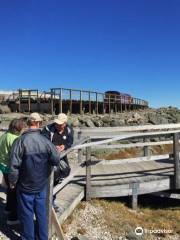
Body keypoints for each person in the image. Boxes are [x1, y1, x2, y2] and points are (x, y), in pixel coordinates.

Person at [9, 112, 60, 240]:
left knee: (26, 215)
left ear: (28, 124)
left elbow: (14, 166)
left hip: (25, 186)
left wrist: (12, 181)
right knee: (41, 214)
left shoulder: (19, 141)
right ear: (39, 124)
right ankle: (43, 237)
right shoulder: (46, 141)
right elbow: (56, 160)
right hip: (41, 185)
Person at [42, 113, 73, 211]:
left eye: (60, 124)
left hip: (62, 156)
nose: (58, 125)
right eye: (57, 123)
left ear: (65, 123)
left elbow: (70, 142)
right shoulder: (48, 129)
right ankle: (49, 201)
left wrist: (64, 146)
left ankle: (51, 198)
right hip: (48, 157)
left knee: (65, 171)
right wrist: (52, 147)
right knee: (49, 176)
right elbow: (43, 141)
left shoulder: (69, 129)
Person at [0, 118, 26, 225]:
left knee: (10, 190)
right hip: (11, 167)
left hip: (3, 165)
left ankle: (8, 208)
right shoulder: (16, 139)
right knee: (15, 191)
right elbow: (16, 156)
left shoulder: (4, 135)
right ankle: (13, 217)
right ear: (18, 128)